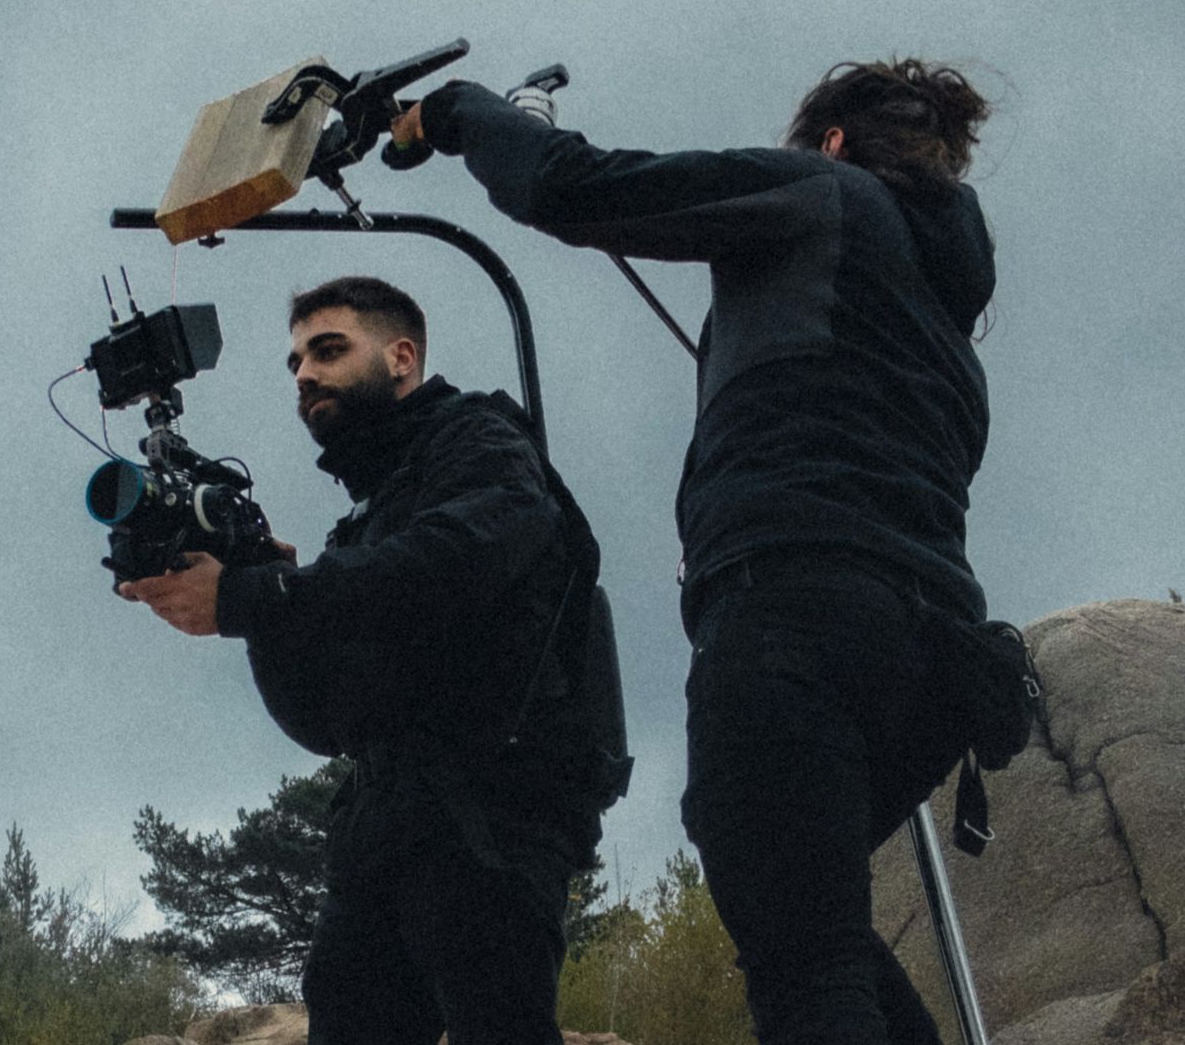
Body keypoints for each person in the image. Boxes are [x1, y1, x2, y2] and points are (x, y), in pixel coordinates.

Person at [393, 60, 1000, 1043]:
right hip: (934, 661)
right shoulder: (942, 322)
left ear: (835, 143)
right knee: (809, 926)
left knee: (804, 964)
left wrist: (466, 114)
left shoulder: (823, 191)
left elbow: (572, 186)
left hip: (791, 619)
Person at [120, 276, 621, 1045]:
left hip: (490, 820)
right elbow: (325, 723)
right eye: (294, 363)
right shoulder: (364, 518)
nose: (305, 375)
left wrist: (263, 596)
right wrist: (260, 611)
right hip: (387, 827)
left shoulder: (479, 442)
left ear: (402, 357)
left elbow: (450, 563)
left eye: (327, 350)